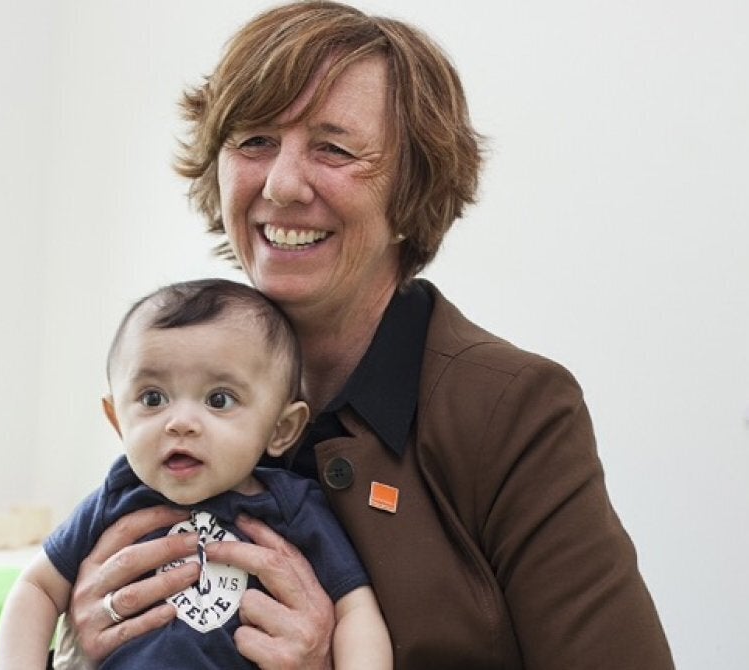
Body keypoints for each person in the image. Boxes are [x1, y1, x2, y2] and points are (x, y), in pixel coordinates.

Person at [57, 2, 676, 668]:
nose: (283, 183)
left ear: (411, 188)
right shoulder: (167, 370)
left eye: (333, 148)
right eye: (254, 140)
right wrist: (77, 650)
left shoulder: (513, 409)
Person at [0, 278, 392, 669]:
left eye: (219, 400)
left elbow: (355, 609)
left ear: (281, 429)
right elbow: (36, 589)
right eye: (153, 398)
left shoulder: (292, 508)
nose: (180, 422)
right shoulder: (116, 496)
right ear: (118, 420)